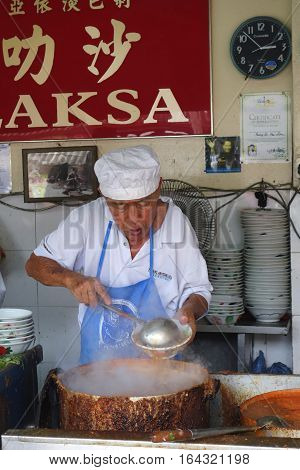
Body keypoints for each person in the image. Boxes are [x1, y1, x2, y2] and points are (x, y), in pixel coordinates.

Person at [25, 145, 212, 363]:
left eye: (142, 203)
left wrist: (190, 309)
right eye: (119, 206)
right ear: (103, 195)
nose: (133, 219)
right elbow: (34, 265)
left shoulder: (177, 225)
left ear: (159, 187)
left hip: (163, 369)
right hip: (98, 371)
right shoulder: (87, 219)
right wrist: (70, 279)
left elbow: (199, 291)